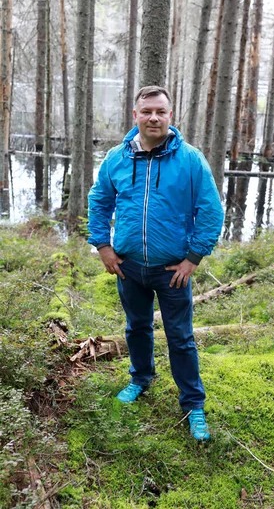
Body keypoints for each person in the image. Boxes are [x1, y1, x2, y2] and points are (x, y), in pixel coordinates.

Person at [88, 85, 224, 442]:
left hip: (172, 272)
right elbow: (99, 202)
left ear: (170, 116)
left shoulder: (190, 160)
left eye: (160, 112)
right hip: (129, 267)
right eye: (146, 111)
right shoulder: (117, 158)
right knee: (137, 328)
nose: (153, 117)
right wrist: (103, 246)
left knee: (180, 337)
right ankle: (140, 379)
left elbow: (211, 211)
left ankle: (193, 404)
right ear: (135, 116)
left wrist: (193, 258)